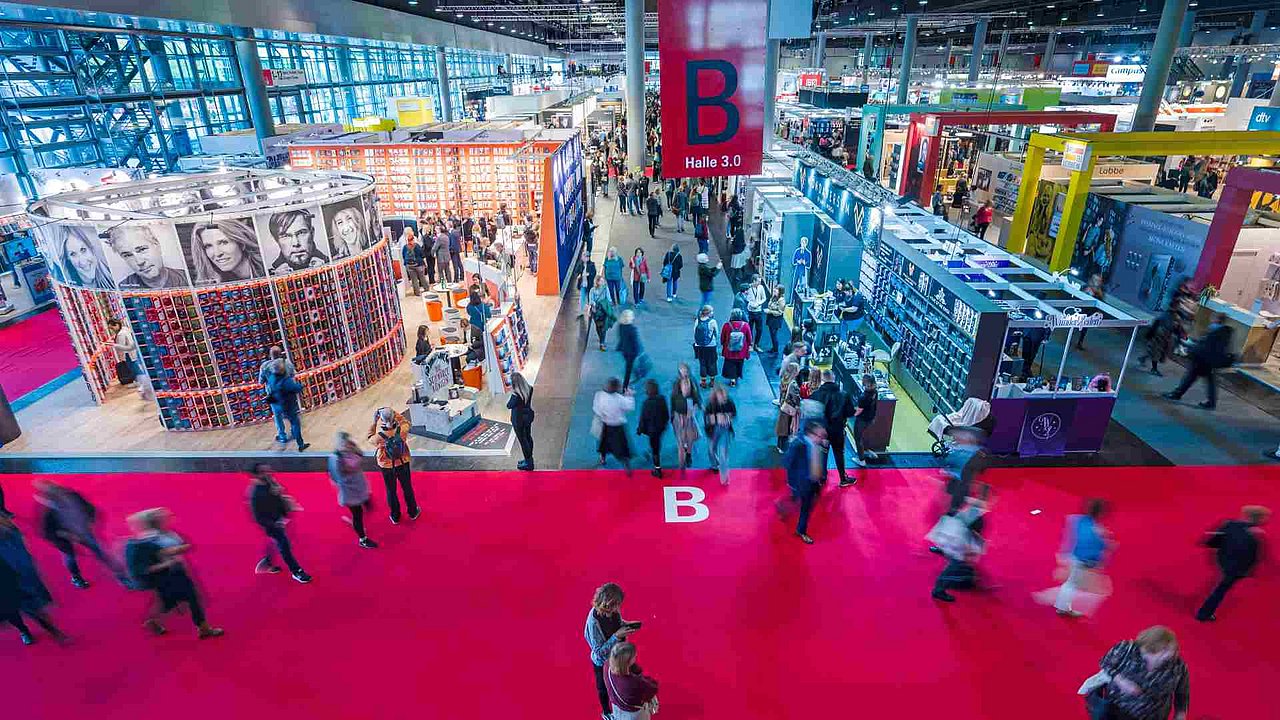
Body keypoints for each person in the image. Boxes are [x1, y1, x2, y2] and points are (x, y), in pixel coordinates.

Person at [124, 508, 224, 639]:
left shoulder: (169, 533)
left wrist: (180, 550)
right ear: (153, 521)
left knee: (181, 600)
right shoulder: (150, 539)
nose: (168, 518)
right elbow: (164, 552)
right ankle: (202, 628)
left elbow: (180, 546)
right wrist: (177, 552)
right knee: (182, 599)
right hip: (166, 575)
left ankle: (155, 621)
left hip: (177, 571)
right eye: (163, 517)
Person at [33, 480, 127, 589]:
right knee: (70, 557)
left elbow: (88, 506)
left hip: (82, 530)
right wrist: (65, 534)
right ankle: (76, 577)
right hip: (64, 538)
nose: (56, 492)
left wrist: (91, 520)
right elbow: (46, 532)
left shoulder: (71, 495)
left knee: (100, 551)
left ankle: (120, 576)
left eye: (54, 488)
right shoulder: (45, 510)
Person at [1092, 626, 1190, 720]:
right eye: (1164, 650)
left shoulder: (1178, 666)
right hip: (1116, 707)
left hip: (1153, 715)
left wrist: (1180, 714)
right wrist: (1121, 681)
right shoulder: (1127, 649)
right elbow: (1105, 663)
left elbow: (1182, 693)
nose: (1170, 654)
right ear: (1150, 648)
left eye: (1173, 650)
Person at [0, 515, 68, 646]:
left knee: (33, 608)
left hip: (21, 579)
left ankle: (53, 631)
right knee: (13, 614)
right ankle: (24, 630)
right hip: (5, 583)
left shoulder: (11, 532)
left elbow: (24, 552)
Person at [1196, 505, 1270, 621]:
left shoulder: (1229, 524)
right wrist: (1248, 572)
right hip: (1235, 569)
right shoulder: (1257, 535)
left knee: (1220, 585)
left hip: (1221, 560)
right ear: (1258, 518)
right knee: (1221, 590)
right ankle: (1203, 614)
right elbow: (1253, 557)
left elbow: (1213, 542)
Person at [247, 464, 311, 584]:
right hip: (273, 524)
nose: (268, 472)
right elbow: (258, 517)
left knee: (280, 543)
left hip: (281, 518)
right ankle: (296, 571)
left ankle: (268, 562)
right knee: (284, 546)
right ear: (257, 475)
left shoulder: (269, 481)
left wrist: (286, 507)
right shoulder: (255, 494)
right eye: (264, 471)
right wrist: (275, 524)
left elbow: (278, 495)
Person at [584, 582, 637, 720]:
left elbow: (617, 622)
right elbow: (598, 651)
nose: (618, 608)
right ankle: (607, 712)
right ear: (607, 603)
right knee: (603, 687)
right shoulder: (593, 621)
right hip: (603, 661)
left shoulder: (614, 610)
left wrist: (627, 625)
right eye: (616, 605)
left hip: (619, 654)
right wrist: (617, 636)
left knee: (632, 673)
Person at [1052, 499, 1110, 617]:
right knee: (1072, 585)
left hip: (1072, 557)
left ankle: (1062, 607)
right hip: (1082, 561)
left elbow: (1070, 537)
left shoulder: (1077, 519)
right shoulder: (1098, 531)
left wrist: (1064, 554)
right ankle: (1063, 609)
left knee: (1070, 583)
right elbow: (1098, 551)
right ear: (1100, 513)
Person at [1162, 312, 1233, 410]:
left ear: (1217, 319)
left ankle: (1177, 394)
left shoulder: (1215, 330)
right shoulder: (1225, 332)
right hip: (1209, 362)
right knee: (1208, 382)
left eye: (1214, 317)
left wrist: (1192, 348)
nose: (1212, 319)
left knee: (1190, 378)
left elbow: (1207, 346)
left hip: (1203, 361)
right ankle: (1211, 403)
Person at [929, 489, 989, 602]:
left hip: (948, 534)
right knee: (953, 567)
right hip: (957, 541)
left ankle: (941, 550)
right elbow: (972, 537)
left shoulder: (968, 509)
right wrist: (973, 550)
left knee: (952, 554)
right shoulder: (978, 518)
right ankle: (938, 591)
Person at [368, 408, 419, 525]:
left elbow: (369, 437)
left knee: (391, 491)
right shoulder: (401, 430)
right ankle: (413, 512)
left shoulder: (379, 437)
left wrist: (374, 421)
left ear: (382, 420)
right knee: (407, 488)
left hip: (386, 466)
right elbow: (406, 422)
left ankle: (395, 516)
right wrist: (394, 413)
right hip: (403, 462)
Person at [779, 420, 827, 544]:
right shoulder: (797, 444)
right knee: (802, 504)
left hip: (813, 482)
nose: (822, 439)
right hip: (801, 483)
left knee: (807, 505)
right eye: (819, 436)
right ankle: (800, 529)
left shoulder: (817, 445)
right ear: (810, 434)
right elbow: (787, 462)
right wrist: (792, 482)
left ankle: (787, 510)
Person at [327, 432, 378, 548]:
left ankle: (365, 506)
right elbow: (336, 476)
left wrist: (353, 448)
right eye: (344, 443)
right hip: (349, 490)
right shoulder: (336, 458)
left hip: (358, 483)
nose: (347, 445)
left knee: (366, 502)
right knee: (357, 514)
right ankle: (363, 539)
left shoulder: (351, 448)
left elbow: (360, 454)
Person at [105, 224, 191, 288]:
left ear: (157, 245)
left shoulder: (186, 277)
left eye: (142, 249)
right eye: (128, 255)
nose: (139, 262)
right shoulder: (124, 288)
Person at [188, 220, 267, 284]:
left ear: (241, 243)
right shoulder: (214, 281)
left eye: (223, 242)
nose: (217, 253)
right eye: (208, 246)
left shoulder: (268, 267)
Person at [810, 370, 853, 487]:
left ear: (823, 379)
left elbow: (811, 412)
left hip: (822, 430)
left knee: (822, 453)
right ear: (833, 377)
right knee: (839, 453)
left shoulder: (816, 394)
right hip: (838, 429)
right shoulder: (844, 395)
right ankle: (843, 478)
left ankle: (822, 478)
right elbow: (850, 412)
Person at [262, 352, 308, 451]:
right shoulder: (286, 381)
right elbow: (296, 388)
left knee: (278, 419)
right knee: (295, 423)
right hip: (288, 405)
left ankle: (282, 437)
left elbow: (262, 382)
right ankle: (300, 444)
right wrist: (301, 385)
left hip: (276, 404)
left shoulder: (271, 378)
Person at [263, 210, 328, 275]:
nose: (296, 243)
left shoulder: (331, 261)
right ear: (276, 239)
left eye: (301, 233)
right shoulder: (268, 274)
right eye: (286, 236)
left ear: (312, 233)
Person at [606, 642, 660, 720]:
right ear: (627, 662)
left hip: (616, 706)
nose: (636, 657)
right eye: (634, 657)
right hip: (633, 714)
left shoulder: (606, 666)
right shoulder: (633, 682)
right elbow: (653, 688)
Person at [52, 225, 115, 290]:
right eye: (73, 254)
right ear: (67, 258)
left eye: (83, 250)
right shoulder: (67, 283)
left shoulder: (113, 278)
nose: (83, 262)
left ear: (91, 248)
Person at [593, 377, 635, 471]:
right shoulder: (619, 399)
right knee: (622, 446)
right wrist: (630, 395)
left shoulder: (599, 395)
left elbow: (596, 409)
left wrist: (603, 415)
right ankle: (625, 463)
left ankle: (603, 458)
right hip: (617, 427)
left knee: (603, 444)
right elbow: (630, 407)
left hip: (606, 425)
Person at [669, 365, 702, 470]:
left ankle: (688, 454)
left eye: (685, 371)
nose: (686, 389)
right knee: (681, 441)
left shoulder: (693, 385)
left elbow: (697, 400)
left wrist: (696, 408)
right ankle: (682, 464)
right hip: (679, 418)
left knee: (690, 438)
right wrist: (673, 416)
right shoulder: (676, 390)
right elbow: (672, 403)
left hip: (689, 417)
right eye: (681, 372)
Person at [704, 383, 737, 486]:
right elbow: (707, 420)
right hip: (713, 429)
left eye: (725, 396)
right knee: (711, 450)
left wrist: (727, 417)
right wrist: (717, 418)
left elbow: (733, 414)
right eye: (721, 396)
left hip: (725, 430)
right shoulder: (710, 405)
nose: (724, 398)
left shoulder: (729, 402)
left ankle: (724, 478)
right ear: (716, 396)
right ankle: (714, 465)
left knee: (723, 454)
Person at [637, 379, 670, 478]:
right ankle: (654, 456)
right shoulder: (662, 399)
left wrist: (640, 429)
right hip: (660, 429)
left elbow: (643, 418)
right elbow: (666, 414)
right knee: (657, 445)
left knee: (655, 449)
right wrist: (664, 424)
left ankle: (657, 469)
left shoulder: (646, 403)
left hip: (651, 431)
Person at [849, 373, 879, 472]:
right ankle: (867, 451)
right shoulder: (875, 392)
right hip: (871, 418)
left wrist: (850, 412)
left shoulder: (864, 396)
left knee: (857, 438)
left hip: (862, 420)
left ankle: (861, 459)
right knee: (863, 435)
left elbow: (859, 411)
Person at [508, 371, 536, 471]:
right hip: (528, 417)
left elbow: (509, 405)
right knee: (528, 437)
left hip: (518, 420)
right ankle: (529, 458)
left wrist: (512, 393)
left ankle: (528, 463)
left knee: (523, 441)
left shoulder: (516, 396)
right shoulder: (529, 389)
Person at [107, 318, 144, 393]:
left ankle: (144, 384)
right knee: (132, 368)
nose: (112, 330)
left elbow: (121, 346)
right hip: (130, 351)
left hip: (128, 353)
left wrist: (113, 345)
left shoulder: (121, 333)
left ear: (117, 325)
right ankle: (137, 381)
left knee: (135, 368)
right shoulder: (124, 329)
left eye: (112, 327)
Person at [719, 308, 753, 388]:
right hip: (741, 350)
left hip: (729, 350)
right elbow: (749, 338)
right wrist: (749, 345)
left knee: (730, 364)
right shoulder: (745, 325)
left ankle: (732, 379)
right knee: (739, 363)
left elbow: (722, 337)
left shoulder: (727, 325)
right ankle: (737, 376)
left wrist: (723, 344)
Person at [775, 361, 802, 453]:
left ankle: (779, 445)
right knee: (787, 428)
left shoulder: (784, 379)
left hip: (783, 406)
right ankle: (783, 448)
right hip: (790, 409)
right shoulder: (793, 384)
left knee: (782, 427)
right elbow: (795, 397)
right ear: (795, 372)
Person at [617, 309, 646, 392]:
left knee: (629, 366)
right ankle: (625, 388)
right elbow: (635, 342)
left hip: (624, 351)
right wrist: (640, 352)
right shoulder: (632, 329)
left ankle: (636, 374)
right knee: (628, 370)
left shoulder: (621, 326)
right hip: (631, 353)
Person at [692, 305, 720, 388]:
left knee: (702, 363)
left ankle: (703, 381)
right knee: (712, 362)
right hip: (711, 345)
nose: (713, 313)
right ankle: (712, 381)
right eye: (711, 311)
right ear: (708, 313)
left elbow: (694, 333)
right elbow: (717, 333)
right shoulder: (713, 322)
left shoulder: (697, 320)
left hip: (699, 346)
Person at [586, 276, 615, 352]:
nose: (603, 282)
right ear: (597, 282)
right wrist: (593, 304)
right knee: (598, 326)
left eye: (603, 281)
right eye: (601, 281)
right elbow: (591, 300)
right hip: (596, 311)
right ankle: (601, 337)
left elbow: (608, 298)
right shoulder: (592, 290)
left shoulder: (605, 288)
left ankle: (602, 343)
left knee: (603, 326)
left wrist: (610, 304)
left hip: (604, 310)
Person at [401, 231, 428, 296]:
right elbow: (422, 255)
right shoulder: (417, 246)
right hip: (418, 265)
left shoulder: (405, 247)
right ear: (413, 239)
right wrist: (425, 264)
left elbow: (403, 256)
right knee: (422, 278)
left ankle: (417, 293)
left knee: (414, 280)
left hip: (409, 266)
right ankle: (426, 289)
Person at [763, 286, 786, 353]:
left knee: (774, 334)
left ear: (780, 292)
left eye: (776, 291)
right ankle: (774, 347)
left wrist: (770, 311)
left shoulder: (781, 300)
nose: (774, 292)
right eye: (774, 291)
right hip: (771, 318)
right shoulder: (774, 297)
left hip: (776, 319)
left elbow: (780, 312)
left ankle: (775, 349)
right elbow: (769, 304)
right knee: (772, 334)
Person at [578, 248, 598, 317]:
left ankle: (591, 310)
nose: (583, 258)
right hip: (582, 284)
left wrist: (589, 274)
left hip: (589, 284)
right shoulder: (580, 264)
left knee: (590, 299)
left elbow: (594, 273)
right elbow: (577, 271)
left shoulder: (592, 265)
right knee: (582, 298)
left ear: (588, 258)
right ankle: (581, 311)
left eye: (585, 257)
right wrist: (579, 275)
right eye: (583, 256)